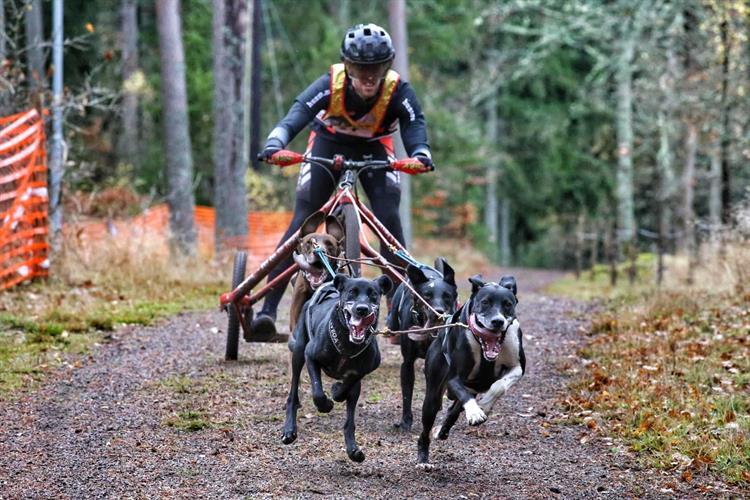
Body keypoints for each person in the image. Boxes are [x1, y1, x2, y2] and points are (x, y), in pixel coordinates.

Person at [251, 22, 433, 338]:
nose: (368, 75)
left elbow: (414, 124)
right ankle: (267, 312)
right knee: (301, 222)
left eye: (376, 67)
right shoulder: (330, 83)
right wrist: (275, 143)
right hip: (327, 146)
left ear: (386, 65)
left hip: (375, 150)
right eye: (360, 67)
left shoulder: (398, 90)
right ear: (348, 67)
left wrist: (420, 153)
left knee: (389, 222)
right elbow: (297, 113)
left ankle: (401, 314)